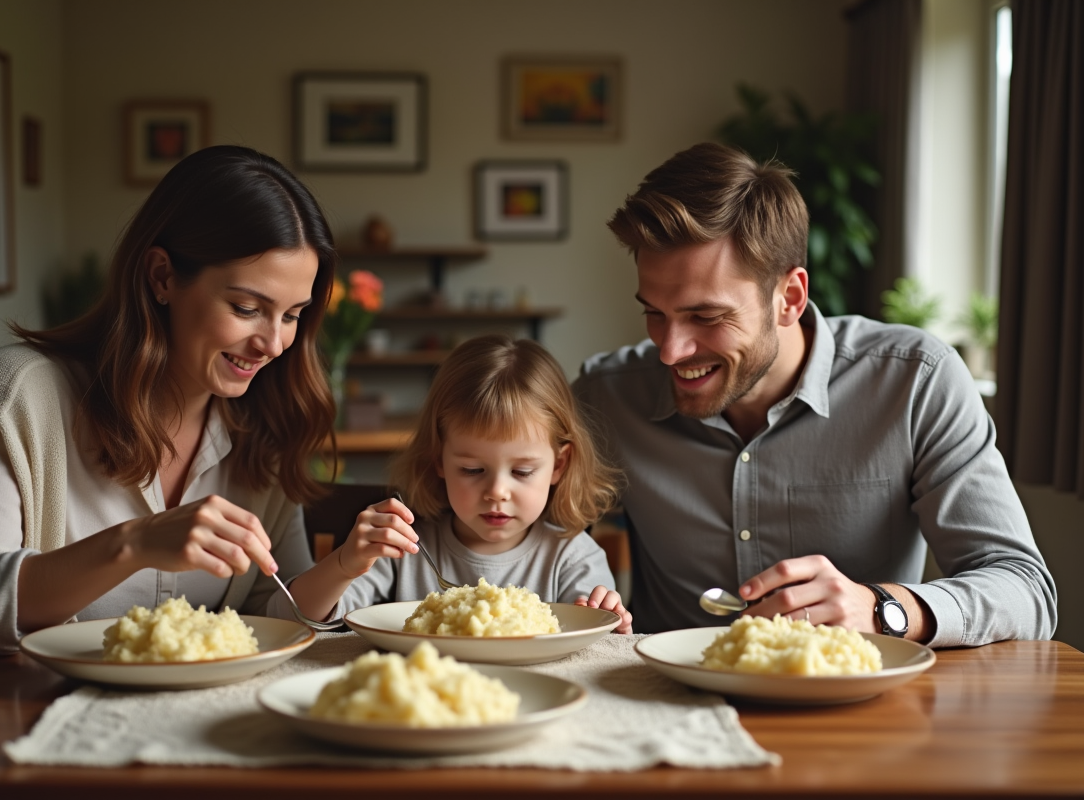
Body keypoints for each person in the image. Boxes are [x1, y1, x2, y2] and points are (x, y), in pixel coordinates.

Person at [573, 142, 1056, 647]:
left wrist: (881, 608)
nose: (670, 351)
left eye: (706, 316)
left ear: (790, 297)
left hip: (855, 706)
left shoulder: (916, 382)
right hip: (670, 705)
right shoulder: (607, 397)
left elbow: (1025, 591)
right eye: (654, 313)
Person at [0, 145, 345, 655]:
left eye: (292, 315)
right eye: (247, 307)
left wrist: (342, 567)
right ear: (162, 277)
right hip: (34, 716)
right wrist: (133, 544)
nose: (273, 343)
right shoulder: (22, 392)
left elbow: (281, 609)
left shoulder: (267, 422)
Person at [298, 334, 633, 633]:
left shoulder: (574, 558)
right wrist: (344, 564)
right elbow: (299, 619)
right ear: (438, 460)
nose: (497, 492)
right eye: (473, 470)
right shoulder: (406, 548)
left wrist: (607, 625)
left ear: (559, 465)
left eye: (522, 472)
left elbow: (593, 652)